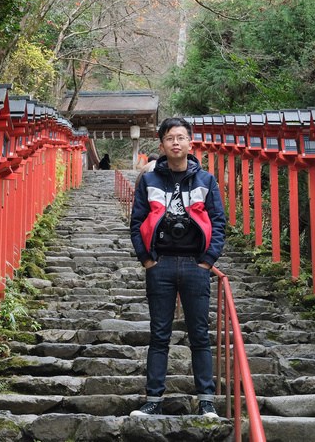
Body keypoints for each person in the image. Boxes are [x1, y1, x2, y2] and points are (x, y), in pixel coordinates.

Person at [129, 117, 226, 418]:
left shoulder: (206, 180)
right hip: (161, 265)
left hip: (196, 266)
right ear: (162, 144)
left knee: (199, 334)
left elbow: (219, 222)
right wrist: (147, 259)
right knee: (159, 335)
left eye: (181, 137)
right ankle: (154, 401)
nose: (176, 143)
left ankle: (206, 401)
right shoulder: (149, 181)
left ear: (189, 142)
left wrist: (208, 260)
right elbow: (135, 223)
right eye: (170, 138)